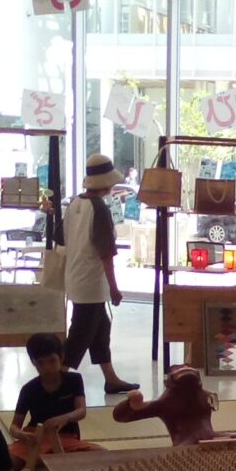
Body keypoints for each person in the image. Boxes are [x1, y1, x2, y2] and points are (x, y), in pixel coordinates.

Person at [62, 153, 139, 395]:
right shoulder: (99, 209)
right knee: (80, 334)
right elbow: (106, 254)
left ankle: (110, 378)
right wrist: (114, 288)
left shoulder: (75, 203)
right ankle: (57, 380)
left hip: (75, 276)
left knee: (100, 329)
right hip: (92, 283)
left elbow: (61, 238)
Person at [9, 332, 99, 471]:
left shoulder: (73, 380)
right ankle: (43, 460)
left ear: (61, 357)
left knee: (101, 454)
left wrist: (65, 417)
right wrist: (21, 435)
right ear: (33, 362)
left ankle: (43, 460)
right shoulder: (28, 389)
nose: (47, 367)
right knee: (6, 463)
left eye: (52, 361)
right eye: (41, 363)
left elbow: (81, 411)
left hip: (67, 438)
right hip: (36, 439)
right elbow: (15, 426)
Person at [112, 364, 236, 447]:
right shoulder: (165, 403)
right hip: (185, 444)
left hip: (212, 438)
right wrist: (132, 405)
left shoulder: (205, 396)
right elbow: (119, 416)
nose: (184, 368)